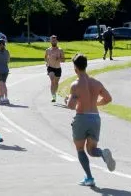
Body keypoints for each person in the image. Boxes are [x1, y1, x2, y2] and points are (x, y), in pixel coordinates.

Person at [65, 53, 116, 186]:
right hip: (95, 118)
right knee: (92, 150)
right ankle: (103, 153)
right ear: (86, 66)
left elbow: (71, 106)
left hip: (81, 118)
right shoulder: (96, 82)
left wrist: (68, 100)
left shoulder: (75, 85)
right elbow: (108, 99)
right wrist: (96, 103)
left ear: (75, 68)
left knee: (81, 149)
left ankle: (89, 178)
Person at [45, 35, 65, 102]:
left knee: (56, 83)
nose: (53, 41)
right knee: (52, 80)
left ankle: (54, 93)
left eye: (55, 40)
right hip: (50, 67)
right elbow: (45, 57)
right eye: (52, 40)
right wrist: (47, 62)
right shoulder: (48, 50)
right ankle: (53, 97)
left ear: (57, 41)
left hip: (58, 68)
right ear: (50, 41)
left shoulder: (60, 50)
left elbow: (63, 60)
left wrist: (59, 58)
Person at [0, 39, 10, 104]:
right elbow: (8, 60)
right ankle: (6, 97)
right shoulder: (7, 51)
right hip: (5, 69)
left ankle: (1, 98)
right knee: (4, 84)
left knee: (0, 85)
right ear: (4, 44)